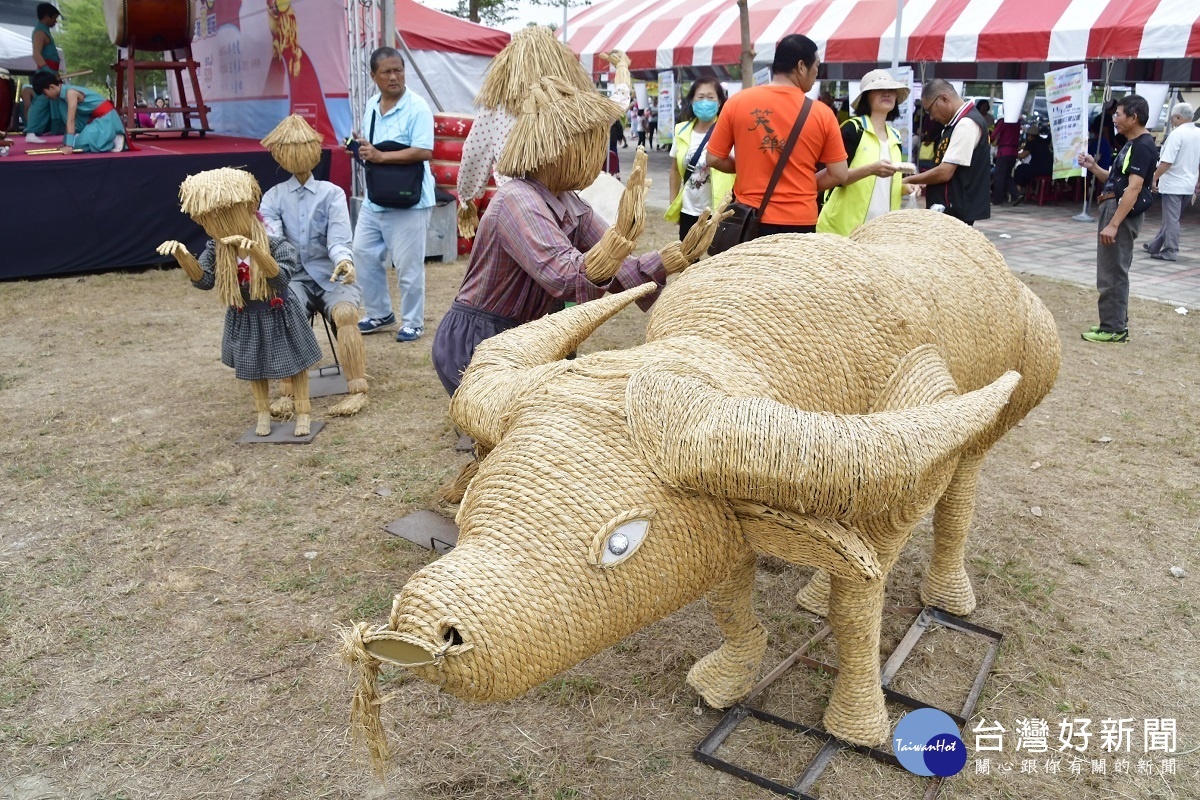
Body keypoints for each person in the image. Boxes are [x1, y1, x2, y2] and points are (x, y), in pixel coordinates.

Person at [431, 77, 724, 397]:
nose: (594, 155)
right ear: (557, 146)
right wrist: (617, 240)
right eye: (587, 143)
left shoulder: (569, 201)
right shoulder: (518, 200)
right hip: (480, 339)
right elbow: (565, 276)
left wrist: (676, 256)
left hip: (527, 335)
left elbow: (622, 271)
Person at [157, 168, 324, 437]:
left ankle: (303, 412)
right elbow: (205, 280)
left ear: (247, 207)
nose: (217, 223)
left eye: (223, 214)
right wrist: (184, 257)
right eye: (209, 219)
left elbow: (280, 280)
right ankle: (262, 414)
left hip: (277, 310)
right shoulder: (217, 250)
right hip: (245, 314)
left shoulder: (275, 244)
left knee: (295, 365)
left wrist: (257, 252)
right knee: (254, 367)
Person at [259, 114, 371, 417]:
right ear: (280, 155)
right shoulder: (272, 199)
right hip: (292, 276)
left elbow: (338, 239)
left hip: (329, 274)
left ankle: (357, 388)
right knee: (283, 308)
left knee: (346, 312)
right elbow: (275, 243)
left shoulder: (332, 194)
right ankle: (287, 390)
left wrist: (344, 261)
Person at [706, 34, 847, 236]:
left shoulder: (736, 103)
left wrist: (750, 165)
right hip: (800, 222)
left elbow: (713, 158)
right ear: (801, 66)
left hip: (749, 218)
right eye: (817, 65)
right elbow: (839, 173)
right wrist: (801, 182)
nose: (817, 72)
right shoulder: (822, 114)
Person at [350, 47, 434, 343]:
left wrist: (381, 157)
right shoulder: (372, 105)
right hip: (377, 197)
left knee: (408, 266)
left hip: (410, 200)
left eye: (398, 70)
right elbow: (372, 148)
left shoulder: (418, 107)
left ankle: (413, 321)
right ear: (373, 76)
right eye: (386, 71)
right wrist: (360, 146)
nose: (394, 76)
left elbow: (424, 150)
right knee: (361, 252)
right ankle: (380, 312)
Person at [1078, 94, 1157, 344]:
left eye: (1119, 114)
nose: (1114, 118)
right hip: (1113, 206)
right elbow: (1113, 180)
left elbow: (1133, 189)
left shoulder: (1142, 146)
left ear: (1134, 118)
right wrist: (1093, 167)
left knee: (1112, 272)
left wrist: (1114, 224)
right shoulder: (1131, 144)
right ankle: (1115, 322)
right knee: (1113, 269)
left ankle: (1112, 328)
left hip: (1120, 214)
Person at [817, 69, 919, 236]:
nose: (887, 93)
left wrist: (904, 187)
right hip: (844, 229)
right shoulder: (853, 129)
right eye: (879, 89)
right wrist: (871, 169)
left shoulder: (895, 136)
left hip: (881, 230)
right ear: (866, 97)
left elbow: (883, 183)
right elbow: (835, 178)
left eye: (891, 90)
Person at [903, 79, 990, 226]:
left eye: (930, 110)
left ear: (944, 98)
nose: (931, 117)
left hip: (955, 210)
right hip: (951, 207)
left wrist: (909, 180)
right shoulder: (957, 123)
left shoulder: (966, 124)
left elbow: (945, 172)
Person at [666, 78, 734, 241]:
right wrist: (673, 200)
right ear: (691, 101)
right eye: (700, 97)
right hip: (689, 210)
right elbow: (675, 170)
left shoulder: (730, 132)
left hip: (720, 211)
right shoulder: (681, 130)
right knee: (688, 260)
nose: (705, 102)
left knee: (719, 261)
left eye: (711, 98)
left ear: (719, 103)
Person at [1144, 103, 1200, 262]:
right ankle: (1155, 245)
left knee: (1171, 219)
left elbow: (1166, 162)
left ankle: (1170, 250)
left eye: (1172, 118)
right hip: (1189, 183)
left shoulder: (1177, 134)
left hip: (1174, 183)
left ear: (1178, 117)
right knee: (1172, 218)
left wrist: (1153, 178)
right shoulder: (1198, 133)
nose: (1172, 121)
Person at [30, 73, 127, 153]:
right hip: (98, 120)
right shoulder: (62, 99)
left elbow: (71, 119)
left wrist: (69, 146)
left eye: (45, 94)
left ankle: (114, 138)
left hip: (107, 118)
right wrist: (66, 143)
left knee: (79, 145)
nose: (46, 97)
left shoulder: (70, 93)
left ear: (51, 87)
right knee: (75, 144)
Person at [22, 2, 66, 141]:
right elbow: (36, 54)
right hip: (45, 73)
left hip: (50, 72)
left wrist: (54, 74)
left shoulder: (44, 30)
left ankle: (37, 131)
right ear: (46, 17)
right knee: (40, 102)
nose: (55, 21)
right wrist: (48, 73)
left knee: (49, 101)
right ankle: (31, 132)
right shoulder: (40, 32)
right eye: (54, 18)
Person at [1012, 123, 1052, 205]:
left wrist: (1012, 152)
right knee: (1027, 169)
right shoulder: (1043, 141)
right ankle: (1032, 190)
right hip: (1049, 168)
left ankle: (1017, 193)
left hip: (1039, 168)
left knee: (1020, 169)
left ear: (1029, 135)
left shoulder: (1032, 143)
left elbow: (1022, 156)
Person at [990, 117, 1021, 203]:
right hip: (1013, 152)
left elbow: (993, 135)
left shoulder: (1004, 121)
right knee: (1006, 175)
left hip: (1004, 151)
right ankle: (1016, 195)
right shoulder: (1017, 122)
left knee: (999, 176)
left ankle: (997, 199)